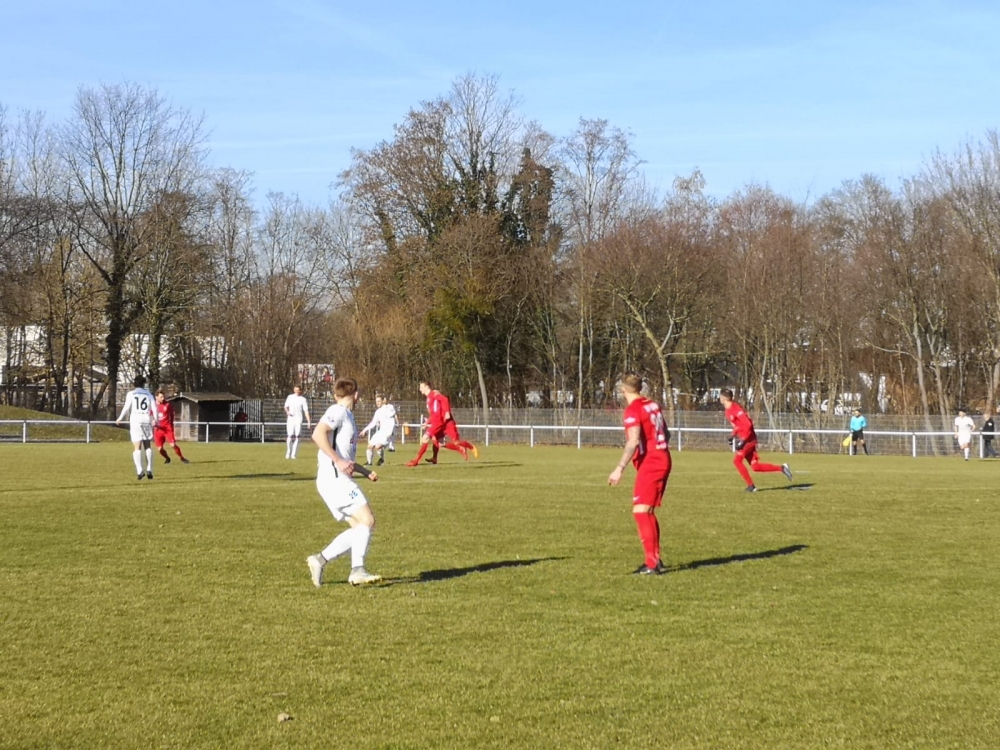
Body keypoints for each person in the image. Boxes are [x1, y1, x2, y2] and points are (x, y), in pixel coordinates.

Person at [305, 377, 382, 587]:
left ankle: (319, 560)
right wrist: (337, 460)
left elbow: (345, 458)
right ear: (356, 395)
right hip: (335, 479)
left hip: (334, 479)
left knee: (359, 529)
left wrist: (365, 471)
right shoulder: (338, 411)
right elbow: (317, 434)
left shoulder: (347, 416)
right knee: (367, 520)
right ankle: (357, 570)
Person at [607, 374, 672, 575]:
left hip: (651, 463)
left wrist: (619, 468)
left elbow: (633, 441)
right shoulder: (652, 405)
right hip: (662, 457)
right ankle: (655, 559)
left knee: (641, 511)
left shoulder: (633, 410)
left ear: (623, 389)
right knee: (647, 510)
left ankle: (651, 563)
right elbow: (666, 433)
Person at [718, 389, 793, 492]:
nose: (719, 398)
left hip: (749, 439)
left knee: (737, 461)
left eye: (720, 396)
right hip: (746, 439)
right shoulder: (727, 411)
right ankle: (782, 468)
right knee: (755, 467)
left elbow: (748, 424)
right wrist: (732, 435)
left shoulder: (736, 409)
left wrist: (743, 440)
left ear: (724, 398)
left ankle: (751, 486)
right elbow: (738, 426)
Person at [405, 379, 478, 466]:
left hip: (440, 422)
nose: (420, 389)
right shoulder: (429, 398)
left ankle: (470, 447)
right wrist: (427, 422)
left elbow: (445, 399)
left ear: (426, 387)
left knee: (427, 438)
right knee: (438, 442)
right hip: (439, 422)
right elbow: (434, 413)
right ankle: (434, 458)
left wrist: (447, 412)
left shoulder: (433, 394)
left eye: (421, 387)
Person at [116, 375, 156, 480]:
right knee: (147, 446)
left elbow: (126, 407)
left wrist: (120, 418)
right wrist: (156, 419)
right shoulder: (148, 394)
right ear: (144, 384)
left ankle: (139, 471)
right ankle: (149, 468)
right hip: (146, 420)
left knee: (137, 447)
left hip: (136, 421)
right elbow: (154, 408)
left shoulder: (131, 394)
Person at [359, 394, 398, 466]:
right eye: (376, 401)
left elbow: (392, 421)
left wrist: (391, 432)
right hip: (381, 432)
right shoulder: (378, 412)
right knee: (370, 446)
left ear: (383, 401)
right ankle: (369, 463)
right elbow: (373, 423)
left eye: (379, 401)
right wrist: (365, 430)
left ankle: (381, 459)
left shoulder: (389, 408)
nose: (377, 403)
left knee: (378, 446)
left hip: (387, 433)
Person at [154, 390, 190, 465]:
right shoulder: (153, 406)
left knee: (173, 445)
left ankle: (182, 458)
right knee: (160, 449)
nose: (163, 398)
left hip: (167, 429)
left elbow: (171, 415)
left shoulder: (167, 404)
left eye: (163, 397)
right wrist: (152, 421)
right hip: (158, 430)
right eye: (161, 397)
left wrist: (171, 425)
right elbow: (149, 415)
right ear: (156, 397)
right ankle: (167, 459)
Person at [284, 385, 312, 459]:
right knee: (290, 436)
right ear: (294, 390)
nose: (297, 391)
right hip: (291, 419)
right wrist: (287, 412)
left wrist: (309, 421)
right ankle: (288, 453)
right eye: (295, 390)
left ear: (300, 391)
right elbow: (285, 407)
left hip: (298, 420)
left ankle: (293, 455)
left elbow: (306, 411)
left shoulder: (303, 399)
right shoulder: (290, 397)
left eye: (298, 390)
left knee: (297, 437)